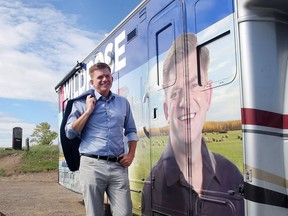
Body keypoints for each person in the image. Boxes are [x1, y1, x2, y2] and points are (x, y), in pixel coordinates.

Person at [142, 33, 244, 216]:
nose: (185, 102)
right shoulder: (153, 187)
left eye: (194, 85)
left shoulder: (232, 175)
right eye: (175, 93)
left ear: (209, 94)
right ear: (166, 111)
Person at [65, 62, 138, 216]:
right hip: (92, 165)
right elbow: (70, 132)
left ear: (112, 77)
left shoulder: (122, 102)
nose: (105, 79)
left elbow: (131, 131)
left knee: (124, 213)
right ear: (92, 82)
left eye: (108, 76)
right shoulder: (81, 103)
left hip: (118, 165)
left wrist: (131, 155)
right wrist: (88, 111)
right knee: (94, 213)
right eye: (100, 77)